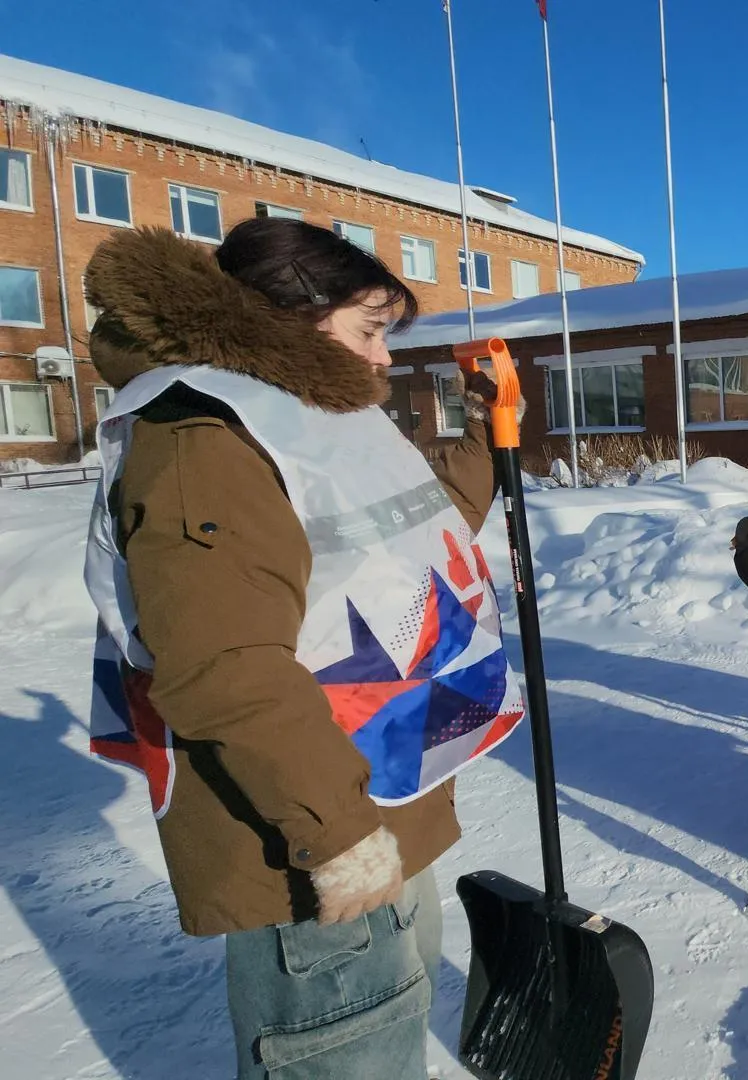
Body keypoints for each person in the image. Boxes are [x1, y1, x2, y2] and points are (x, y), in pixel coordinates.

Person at [80, 219, 525, 1079]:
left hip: (373, 804)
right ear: (295, 315)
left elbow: (417, 541)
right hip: (309, 843)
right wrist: (343, 835)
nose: (384, 358)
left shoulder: (312, 417)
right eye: (369, 330)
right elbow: (225, 667)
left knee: (389, 1042)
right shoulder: (209, 437)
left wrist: (488, 436)